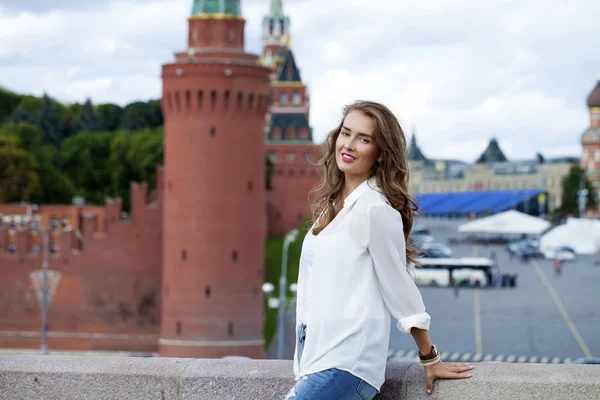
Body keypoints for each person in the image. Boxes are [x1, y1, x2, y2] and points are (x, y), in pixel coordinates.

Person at [283, 101, 472, 400]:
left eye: (364, 139)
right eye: (346, 133)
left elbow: (399, 288)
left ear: (381, 153)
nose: (350, 144)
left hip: (347, 365)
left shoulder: (375, 209)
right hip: (316, 358)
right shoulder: (332, 208)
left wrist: (429, 357)